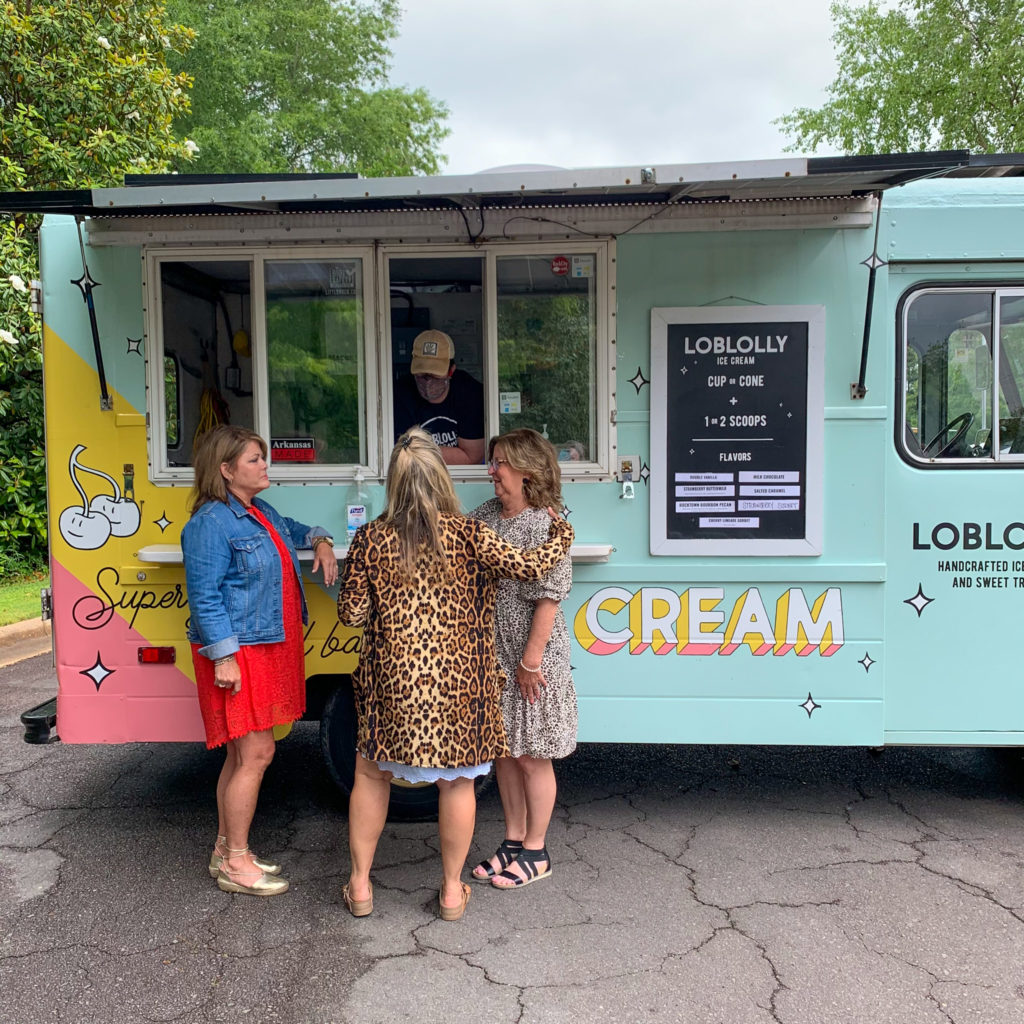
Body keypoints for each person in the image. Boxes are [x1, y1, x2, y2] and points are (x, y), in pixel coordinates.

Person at [337, 427, 574, 921]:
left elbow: (352, 616)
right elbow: (530, 567)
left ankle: (360, 887)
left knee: (370, 774)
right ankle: (449, 891)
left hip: (391, 683)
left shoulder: (370, 538)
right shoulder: (470, 533)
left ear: (393, 483)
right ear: (441, 477)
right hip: (459, 683)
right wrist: (564, 534)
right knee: (457, 784)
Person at [182, 425, 338, 897]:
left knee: (239, 753)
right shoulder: (210, 523)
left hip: (265, 648)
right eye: (254, 459)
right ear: (226, 470)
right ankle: (235, 862)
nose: (264, 465)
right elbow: (204, 598)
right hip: (242, 652)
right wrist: (224, 658)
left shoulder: (259, 511)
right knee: (257, 753)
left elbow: (297, 531)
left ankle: (227, 849)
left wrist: (323, 540)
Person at [469, 428, 577, 890]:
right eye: (492, 462)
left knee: (533, 755)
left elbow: (549, 599)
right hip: (495, 655)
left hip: (532, 657)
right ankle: (512, 841)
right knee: (506, 753)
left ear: (528, 469)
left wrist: (530, 662)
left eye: (501, 463)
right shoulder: (487, 515)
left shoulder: (545, 525)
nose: (492, 472)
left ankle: (537, 849)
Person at [392, 329, 485, 465]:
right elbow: (402, 453)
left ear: (451, 371)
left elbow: (472, 457)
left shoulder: (470, 392)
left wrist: (417, 450)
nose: (428, 381)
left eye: (435, 375)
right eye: (421, 374)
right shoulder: (400, 393)